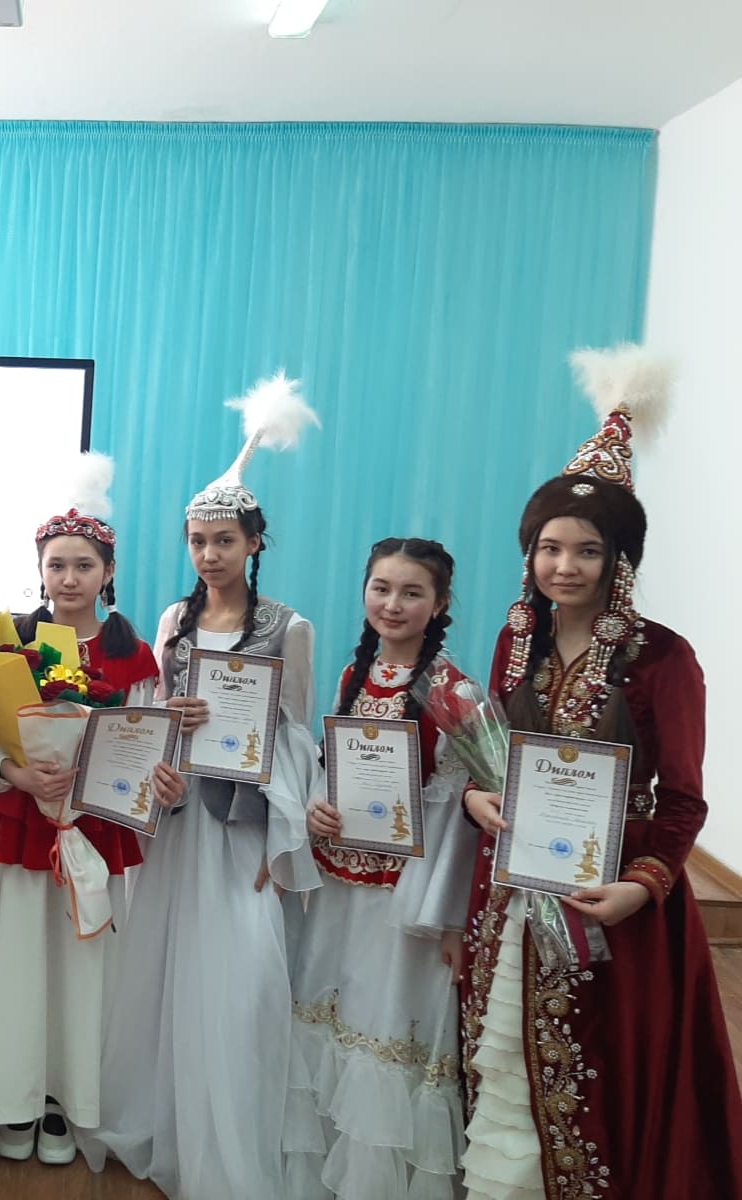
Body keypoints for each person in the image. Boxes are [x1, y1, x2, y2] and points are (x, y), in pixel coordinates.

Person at [459, 346, 742, 1200]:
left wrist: (641, 887)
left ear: (621, 559)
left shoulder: (664, 658)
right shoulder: (517, 641)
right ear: (528, 554)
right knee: (503, 1059)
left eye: (588, 550)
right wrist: (476, 799)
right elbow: (492, 758)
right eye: (549, 548)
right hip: (512, 888)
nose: (565, 567)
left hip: (612, 900)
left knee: (604, 1079)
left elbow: (684, 800)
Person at [80, 374, 324, 1199]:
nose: (209, 555)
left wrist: (280, 833)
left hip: (243, 824)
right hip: (182, 818)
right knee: (169, 973)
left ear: (254, 542)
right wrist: (163, 740)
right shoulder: (174, 624)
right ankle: (169, 1122)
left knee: (240, 981)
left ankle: (231, 1142)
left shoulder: (288, 628)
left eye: (224, 540)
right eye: (197, 541)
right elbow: (152, 717)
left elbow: (296, 737)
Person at [0, 460, 185, 1165]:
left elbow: (141, 748)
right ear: (40, 570)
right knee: (18, 960)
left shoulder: (135, 657)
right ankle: (13, 1097)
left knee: (80, 968)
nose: (69, 578)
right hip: (19, 825)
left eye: (84, 565)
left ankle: (65, 1100)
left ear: (107, 572)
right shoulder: (8, 647)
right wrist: (17, 773)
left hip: (93, 831)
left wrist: (143, 783)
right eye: (56, 565)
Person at [288, 538, 476, 1200]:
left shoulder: (453, 692)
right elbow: (332, 767)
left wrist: (446, 918)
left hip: (404, 898)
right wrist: (317, 807)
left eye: (412, 592)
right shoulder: (353, 673)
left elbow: (459, 812)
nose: (392, 604)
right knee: (331, 1012)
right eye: (381, 588)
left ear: (440, 604)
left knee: (384, 1023)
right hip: (339, 888)